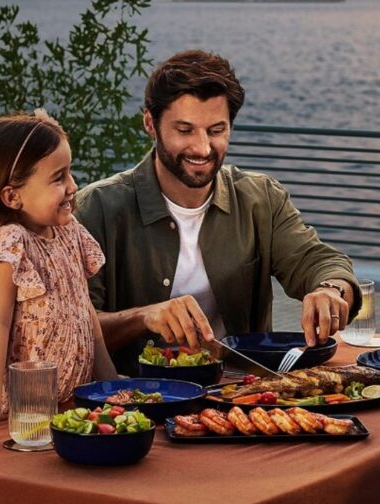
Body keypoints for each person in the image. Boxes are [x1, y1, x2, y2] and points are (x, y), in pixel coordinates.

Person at [76, 50, 361, 372]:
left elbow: (320, 261)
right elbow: (74, 328)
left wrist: (330, 290)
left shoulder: (261, 198)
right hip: (133, 395)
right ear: (150, 124)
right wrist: (143, 317)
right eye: (185, 130)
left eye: (216, 130)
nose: (202, 148)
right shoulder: (96, 208)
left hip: (244, 389)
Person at [0, 110, 116, 429]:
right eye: (58, 178)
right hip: (19, 415)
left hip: (66, 408)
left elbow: (85, 313)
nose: (73, 186)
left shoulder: (70, 232)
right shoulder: (9, 244)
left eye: (70, 173)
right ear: (12, 196)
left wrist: (110, 382)